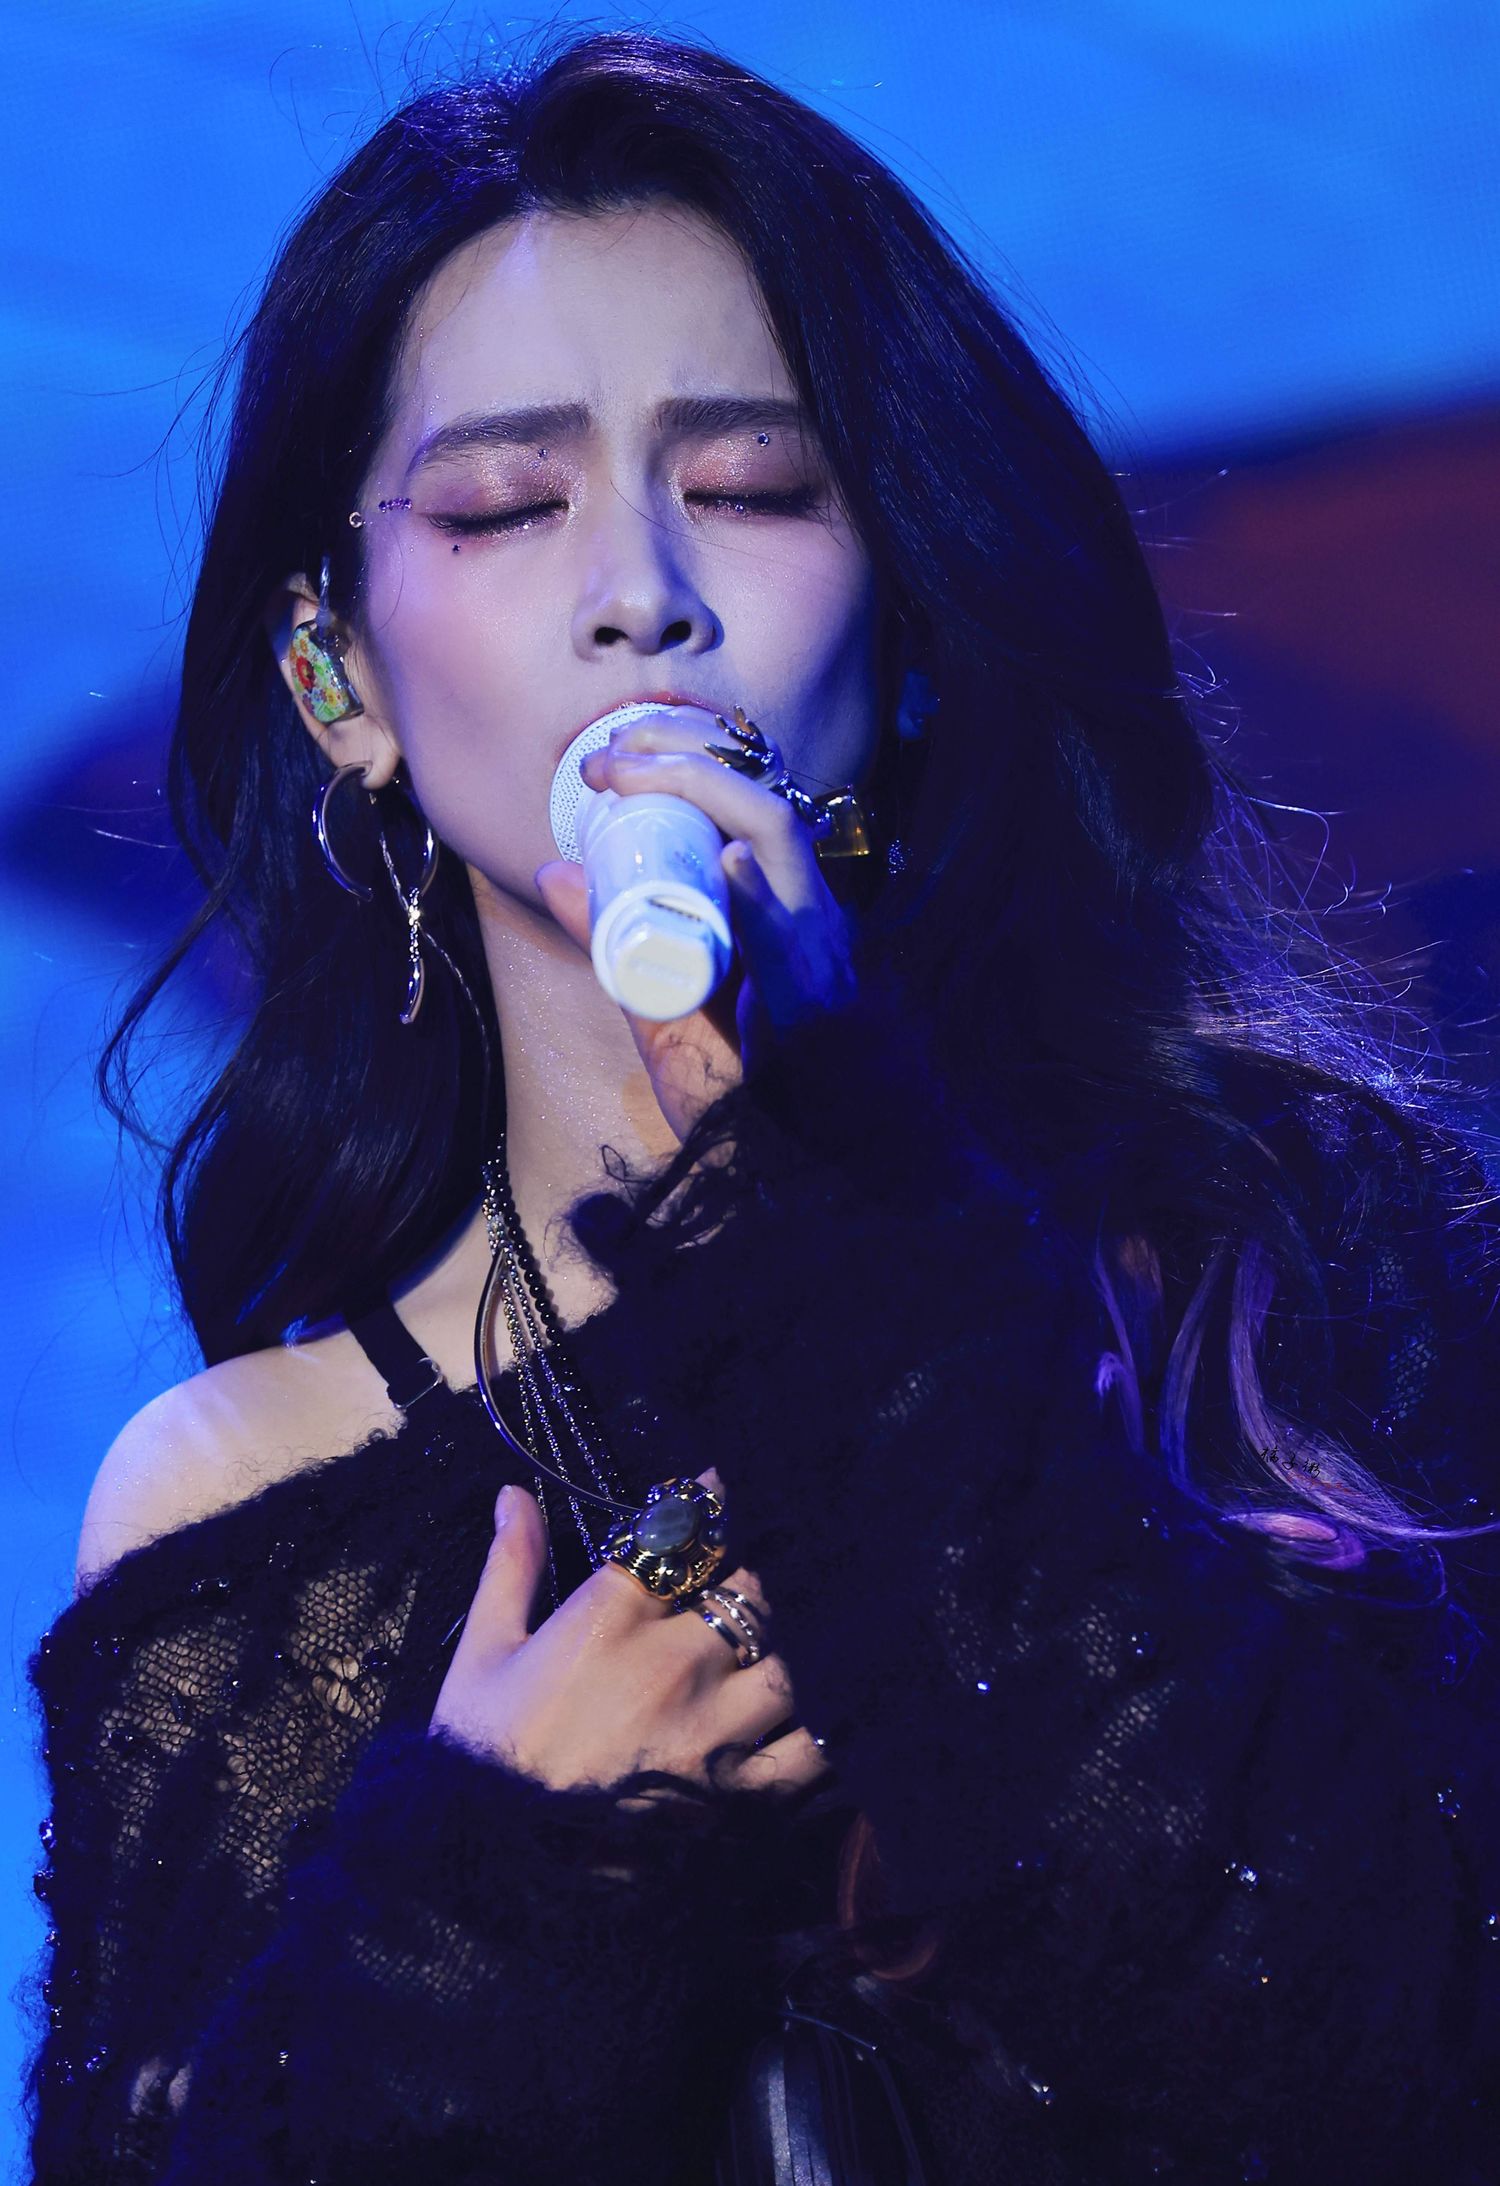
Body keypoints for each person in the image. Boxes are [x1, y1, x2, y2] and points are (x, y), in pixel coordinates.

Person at [19, 27, 1500, 2186]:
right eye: (507, 504)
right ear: (336, 677)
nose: (647, 591)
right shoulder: (242, 1507)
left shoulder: (1296, 1258)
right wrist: (501, 1881)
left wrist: (838, 1202)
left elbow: (1378, 2068)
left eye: (750, 488)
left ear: (910, 620)